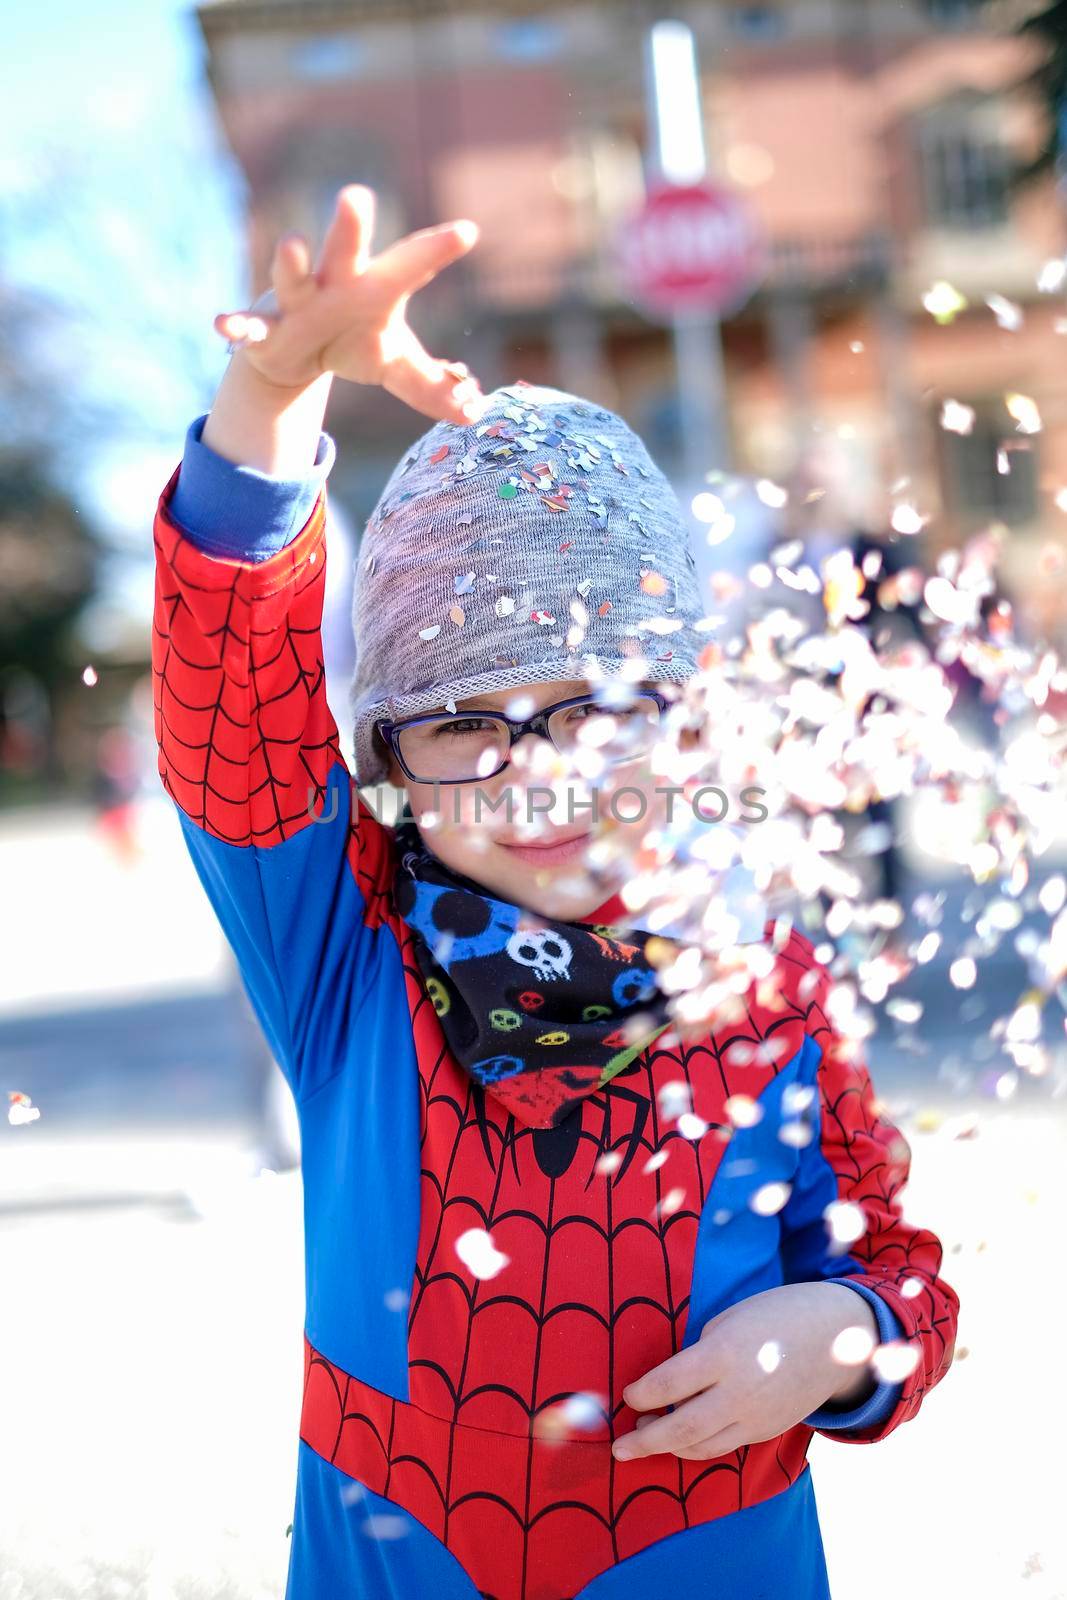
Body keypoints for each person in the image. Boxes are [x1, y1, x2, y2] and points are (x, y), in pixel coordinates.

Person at [151, 186, 958, 1600]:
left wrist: (837, 1331)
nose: (532, 778)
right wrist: (267, 399)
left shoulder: (764, 995)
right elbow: (234, 704)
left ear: (690, 726)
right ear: (389, 754)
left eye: (594, 708)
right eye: (466, 719)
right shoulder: (352, 952)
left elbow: (901, 1270)